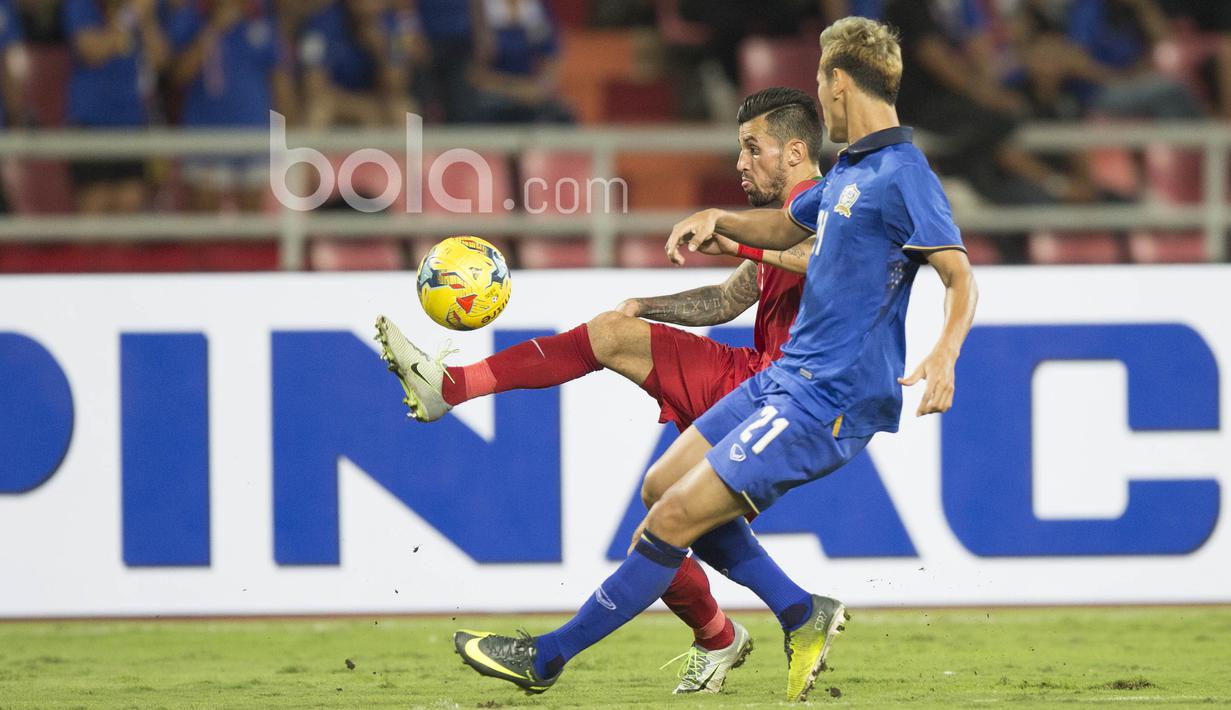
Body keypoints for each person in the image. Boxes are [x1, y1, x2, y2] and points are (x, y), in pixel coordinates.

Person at [449, 16, 977, 701]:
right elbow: (787, 224)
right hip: (784, 380)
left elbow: (957, 273)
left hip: (827, 397)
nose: (820, 99)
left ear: (838, 82)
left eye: (821, 84)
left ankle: (545, 657)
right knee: (659, 490)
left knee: (668, 523)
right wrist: (720, 221)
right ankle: (798, 611)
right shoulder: (851, 170)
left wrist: (944, 351)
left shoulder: (904, 174)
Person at [376, 85, 824, 694]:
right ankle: (451, 387)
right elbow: (728, 299)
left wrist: (739, 236)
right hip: (756, 373)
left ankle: (557, 656)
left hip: (792, 392)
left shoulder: (825, 206)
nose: (740, 163)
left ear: (795, 151)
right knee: (621, 358)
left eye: (753, 148)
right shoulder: (788, 215)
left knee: (660, 529)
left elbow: (829, 259)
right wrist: (647, 306)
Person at [164, 0, 295, 212]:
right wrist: (213, 29)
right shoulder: (190, 16)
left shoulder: (263, 17)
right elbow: (178, 76)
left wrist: (290, 133)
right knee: (203, 224)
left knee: (251, 228)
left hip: (253, 135)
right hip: (204, 135)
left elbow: (280, 81)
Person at [62, 0, 169, 214]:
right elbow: (92, 51)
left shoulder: (143, 10)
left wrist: (146, 21)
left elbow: (160, 60)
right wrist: (129, 16)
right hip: (91, 121)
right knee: (95, 207)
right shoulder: (82, 5)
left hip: (132, 121)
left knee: (129, 207)